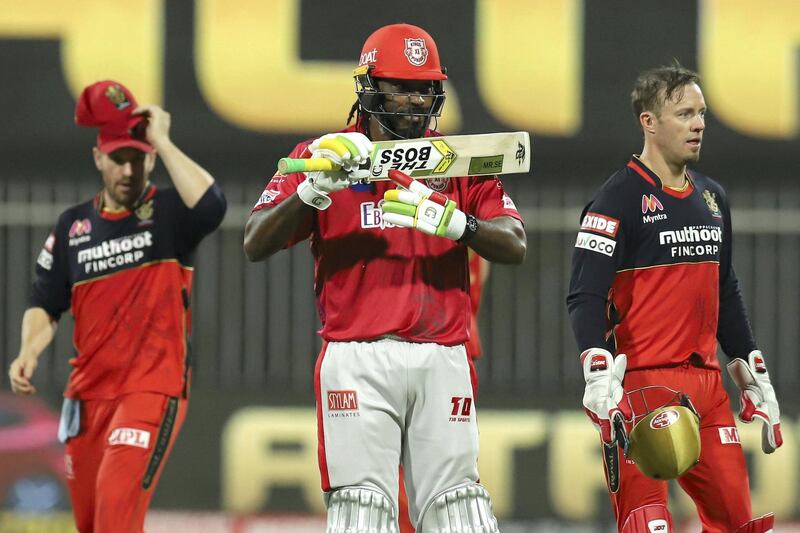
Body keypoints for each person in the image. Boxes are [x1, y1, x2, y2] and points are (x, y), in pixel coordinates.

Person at [244, 23, 525, 533]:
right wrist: (311, 192)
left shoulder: (457, 159)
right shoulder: (324, 152)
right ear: (370, 87)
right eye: (402, 86)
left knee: (460, 513)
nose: (416, 100)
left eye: (424, 88)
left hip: (442, 353)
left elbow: (514, 242)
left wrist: (458, 222)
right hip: (357, 357)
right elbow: (255, 240)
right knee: (361, 516)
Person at [566, 63, 781, 532]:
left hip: (707, 390)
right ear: (649, 121)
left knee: (736, 523)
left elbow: (725, 288)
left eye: (701, 113)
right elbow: (584, 295)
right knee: (647, 525)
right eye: (684, 114)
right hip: (644, 387)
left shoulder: (712, 198)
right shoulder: (615, 199)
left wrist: (754, 371)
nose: (699, 123)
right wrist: (597, 371)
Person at [7, 80, 226, 532]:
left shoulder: (169, 213)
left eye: (137, 159)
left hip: (150, 389)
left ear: (149, 159)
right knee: (93, 525)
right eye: (117, 159)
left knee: (115, 517)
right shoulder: (73, 226)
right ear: (98, 159)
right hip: (86, 398)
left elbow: (213, 206)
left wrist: (162, 139)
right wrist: (29, 350)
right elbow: (45, 302)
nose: (128, 171)